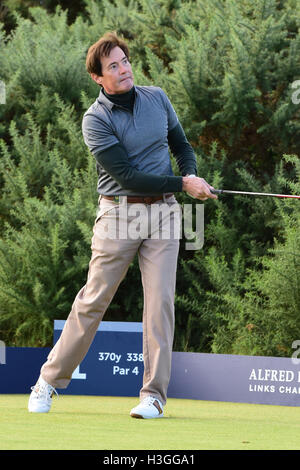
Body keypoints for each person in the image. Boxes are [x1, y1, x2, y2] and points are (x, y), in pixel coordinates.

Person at [28, 32, 217, 419]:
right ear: (98, 77)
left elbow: (181, 146)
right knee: (94, 299)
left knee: (160, 303)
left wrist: (191, 175)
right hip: (119, 214)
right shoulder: (94, 120)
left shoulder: (158, 98)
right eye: (113, 66)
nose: (124, 69)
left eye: (125, 60)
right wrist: (183, 183)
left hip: (164, 213)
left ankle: (154, 396)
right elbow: (129, 176)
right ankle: (47, 382)